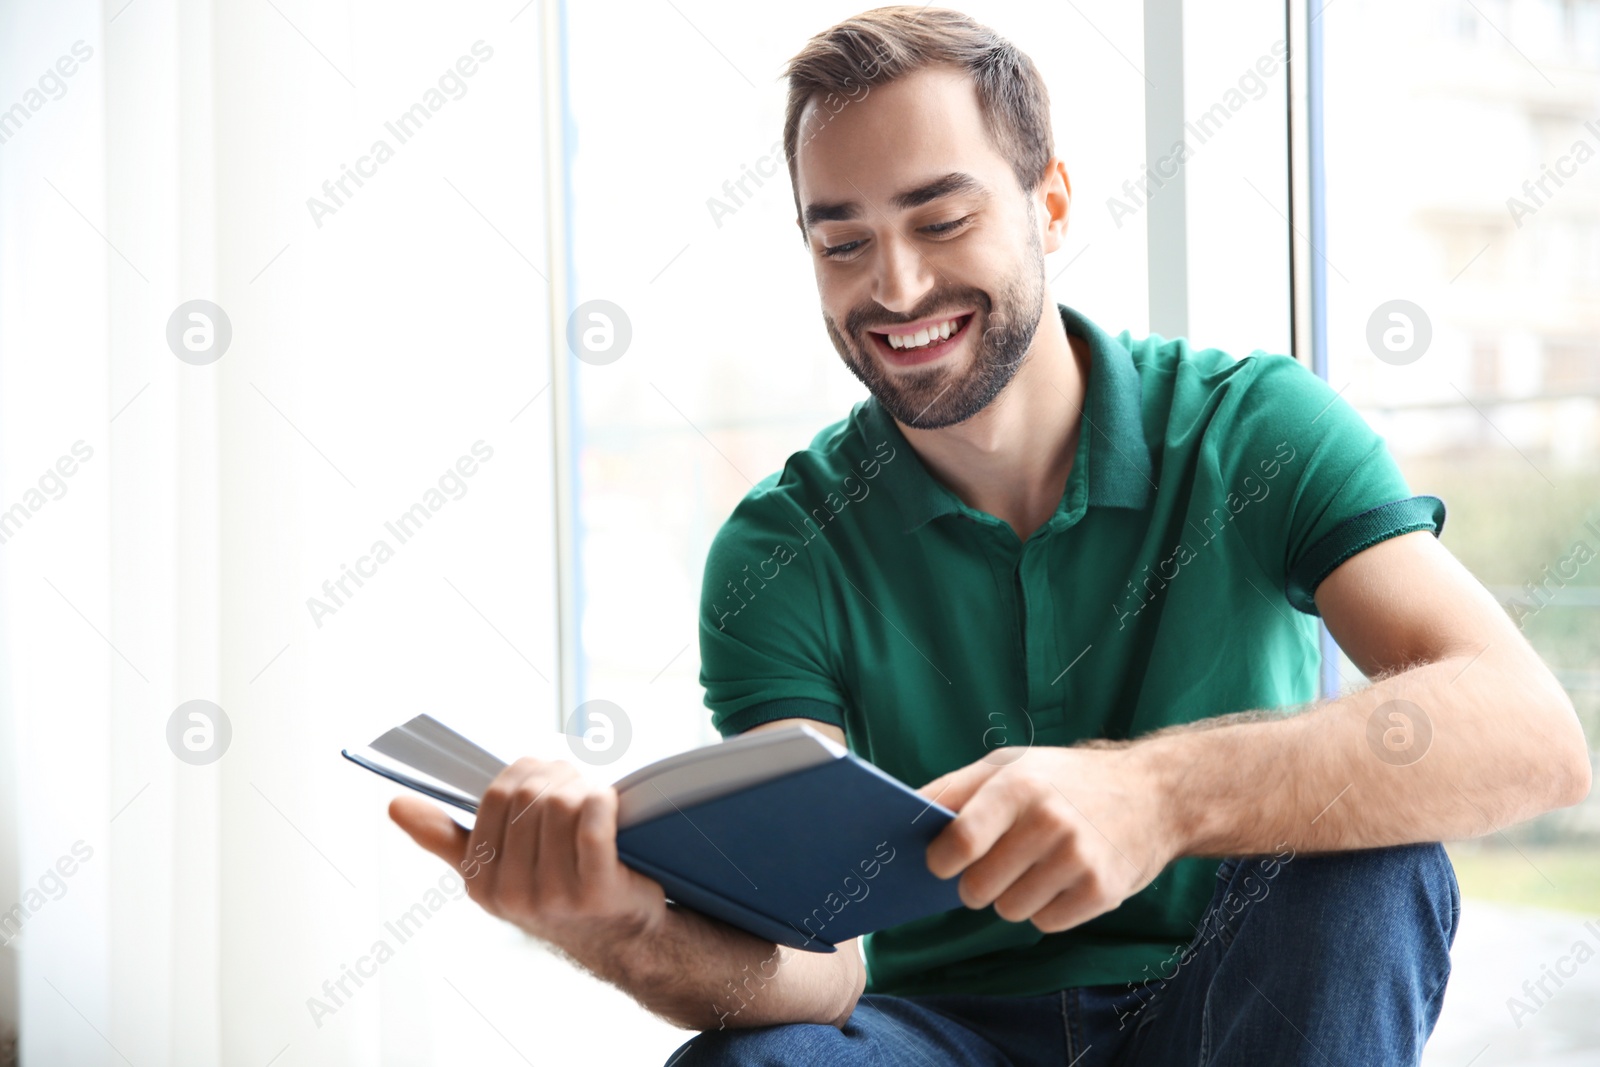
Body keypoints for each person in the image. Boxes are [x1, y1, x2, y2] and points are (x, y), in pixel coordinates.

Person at [391, 8, 1591, 1064]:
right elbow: (817, 968)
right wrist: (621, 926)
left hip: (1232, 1013)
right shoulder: (777, 552)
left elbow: (1531, 739)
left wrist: (1156, 794)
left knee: (1370, 862)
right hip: (935, 1035)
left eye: (940, 217)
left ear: (1049, 202)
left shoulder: (1252, 427)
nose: (895, 287)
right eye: (841, 240)